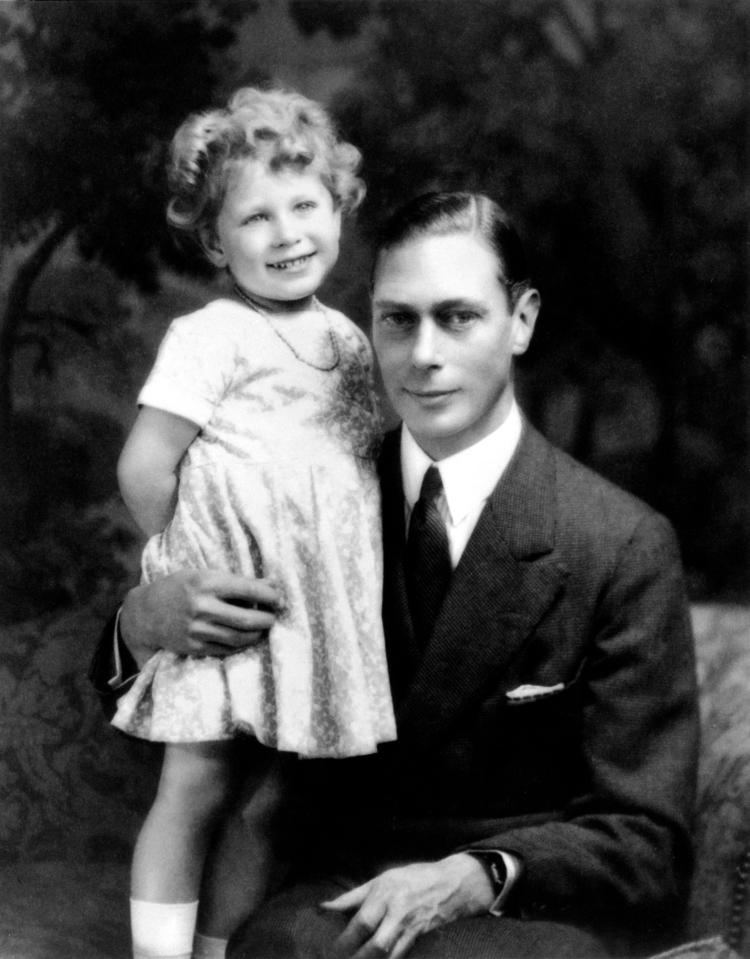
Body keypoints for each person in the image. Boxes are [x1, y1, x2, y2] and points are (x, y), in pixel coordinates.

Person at [92, 191, 699, 958]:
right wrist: (142, 624)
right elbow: (197, 705)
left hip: (522, 915)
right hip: (335, 898)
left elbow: (649, 840)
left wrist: (477, 875)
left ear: (522, 320)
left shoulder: (621, 543)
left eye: (458, 317)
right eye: (397, 319)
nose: (423, 355)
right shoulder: (308, 498)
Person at [108, 85, 397, 959]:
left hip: (307, 616)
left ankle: (213, 950)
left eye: (304, 205)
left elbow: (355, 471)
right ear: (214, 240)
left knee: (269, 799)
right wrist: (186, 560)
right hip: (229, 607)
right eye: (255, 217)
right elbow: (144, 465)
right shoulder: (212, 334)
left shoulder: (349, 341)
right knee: (196, 781)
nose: (287, 233)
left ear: (339, 210)